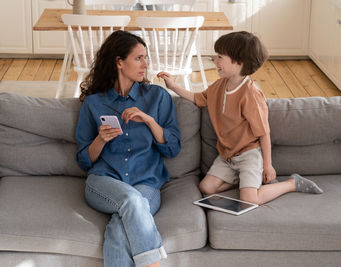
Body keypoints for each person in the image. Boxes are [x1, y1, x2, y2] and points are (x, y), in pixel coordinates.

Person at [158, 31, 322, 205]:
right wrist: (173, 86)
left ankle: (291, 184)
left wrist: (268, 165)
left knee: (250, 199)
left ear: (239, 62)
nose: (215, 61)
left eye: (220, 57)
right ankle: (242, 181)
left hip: (249, 155)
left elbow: (264, 133)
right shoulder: (220, 85)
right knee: (206, 188)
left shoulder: (250, 94)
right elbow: (199, 99)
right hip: (227, 156)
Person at [75, 30, 181, 267]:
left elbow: (172, 149)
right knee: (132, 201)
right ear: (119, 62)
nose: (146, 64)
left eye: (146, 57)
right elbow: (84, 160)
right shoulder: (94, 103)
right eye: (139, 58)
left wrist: (150, 121)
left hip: (147, 182)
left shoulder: (158, 97)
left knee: (120, 228)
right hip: (104, 181)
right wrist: (100, 140)